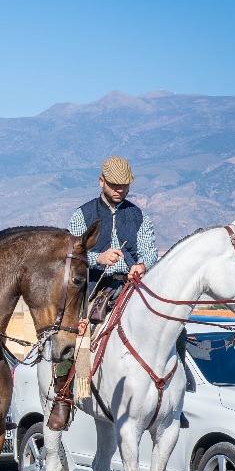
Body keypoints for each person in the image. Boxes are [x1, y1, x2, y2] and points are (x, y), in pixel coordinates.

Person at [48, 155, 159, 430]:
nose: (120, 190)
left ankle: (174, 388)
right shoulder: (82, 215)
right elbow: (70, 255)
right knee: (69, 336)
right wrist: (98, 258)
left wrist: (142, 265)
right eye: (114, 185)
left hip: (130, 286)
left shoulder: (138, 216)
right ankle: (63, 397)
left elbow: (150, 252)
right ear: (101, 182)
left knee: (167, 324)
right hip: (92, 287)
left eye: (125, 185)